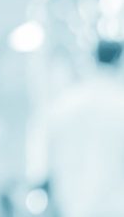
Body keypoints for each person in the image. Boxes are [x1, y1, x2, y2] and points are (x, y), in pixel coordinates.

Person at [43, 39, 124, 217]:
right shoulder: (120, 105)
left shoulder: (63, 105)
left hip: (72, 209)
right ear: (120, 60)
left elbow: (48, 164)